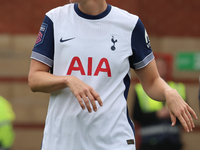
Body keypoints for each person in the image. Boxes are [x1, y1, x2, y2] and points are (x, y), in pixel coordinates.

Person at [28, 0, 197, 150]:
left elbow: (152, 81)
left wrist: (169, 92)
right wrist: (68, 80)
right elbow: (35, 78)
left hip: (114, 141)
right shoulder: (54, 19)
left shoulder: (130, 24)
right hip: (62, 141)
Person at [133, 58, 186, 150]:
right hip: (149, 143)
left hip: (172, 142)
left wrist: (172, 113)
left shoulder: (178, 88)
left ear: (167, 69)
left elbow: (187, 114)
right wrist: (157, 114)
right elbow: (136, 115)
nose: (160, 70)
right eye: (157, 67)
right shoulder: (141, 90)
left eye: (162, 67)